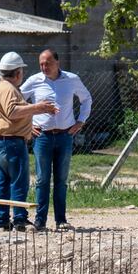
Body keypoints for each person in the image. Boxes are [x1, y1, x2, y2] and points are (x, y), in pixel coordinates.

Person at [20, 49, 92, 231]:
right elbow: (17, 101)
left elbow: (86, 98)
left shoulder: (71, 79)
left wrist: (81, 121)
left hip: (65, 136)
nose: (44, 67)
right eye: (41, 64)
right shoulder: (34, 81)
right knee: (43, 179)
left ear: (57, 63)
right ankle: (40, 220)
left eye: (48, 63)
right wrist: (27, 124)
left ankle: (61, 220)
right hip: (42, 136)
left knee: (61, 179)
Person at [0, 52, 58, 232]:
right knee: (19, 182)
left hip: (1, 142)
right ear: (17, 73)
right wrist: (39, 107)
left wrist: (33, 109)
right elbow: (12, 112)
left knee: (3, 183)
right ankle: (19, 220)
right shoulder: (9, 89)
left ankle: (2, 221)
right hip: (12, 143)